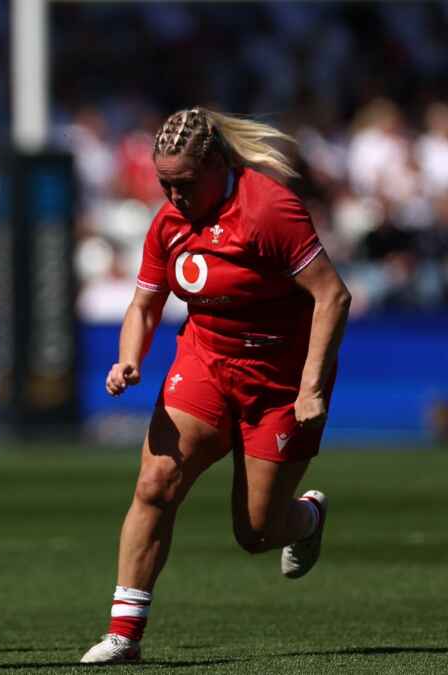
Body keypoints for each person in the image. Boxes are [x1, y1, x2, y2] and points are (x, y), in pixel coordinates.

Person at [80, 107, 351, 664]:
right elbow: (145, 303)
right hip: (205, 364)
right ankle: (124, 635)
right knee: (155, 482)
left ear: (216, 166)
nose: (173, 196)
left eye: (183, 183)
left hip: (279, 381)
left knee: (256, 532)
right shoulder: (168, 222)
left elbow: (332, 295)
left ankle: (306, 518)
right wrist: (128, 359)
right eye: (164, 184)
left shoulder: (269, 210)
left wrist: (311, 388)